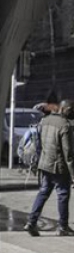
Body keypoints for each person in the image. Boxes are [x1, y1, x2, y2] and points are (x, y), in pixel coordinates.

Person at [25, 99, 74, 236]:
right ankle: (63, 227)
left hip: (44, 164)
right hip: (59, 167)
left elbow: (39, 143)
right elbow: (68, 153)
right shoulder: (65, 125)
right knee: (63, 195)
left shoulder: (45, 120)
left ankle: (31, 222)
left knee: (43, 192)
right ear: (67, 110)